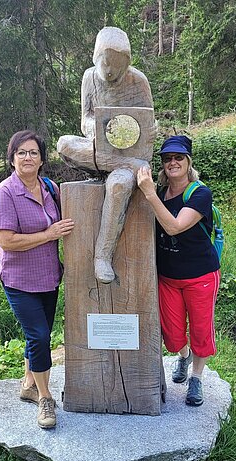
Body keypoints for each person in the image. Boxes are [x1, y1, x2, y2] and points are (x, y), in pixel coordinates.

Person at [57, 26, 156, 284]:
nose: (111, 71)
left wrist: (150, 130)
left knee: (119, 185)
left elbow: (147, 122)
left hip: (128, 158)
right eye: (106, 64)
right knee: (64, 144)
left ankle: (102, 255)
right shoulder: (89, 78)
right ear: (96, 58)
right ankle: (129, 165)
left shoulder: (138, 81)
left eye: (117, 65)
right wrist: (99, 126)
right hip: (98, 151)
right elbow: (85, 119)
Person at [0, 130, 74, 428]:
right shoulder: (4, 193)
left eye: (33, 152)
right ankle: (45, 398)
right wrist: (48, 235)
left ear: (41, 159)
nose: (27, 157)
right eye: (21, 152)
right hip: (18, 279)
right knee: (39, 336)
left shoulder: (50, 188)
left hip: (49, 277)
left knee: (39, 335)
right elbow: (8, 241)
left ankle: (27, 384)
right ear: (12, 159)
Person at [137, 135, 220, 406]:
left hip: (200, 276)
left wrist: (148, 192)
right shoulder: (161, 193)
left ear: (188, 162)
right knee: (172, 336)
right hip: (168, 278)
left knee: (200, 331)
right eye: (167, 158)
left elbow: (173, 226)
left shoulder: (199, 194)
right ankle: (182, 357)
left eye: (178, 157)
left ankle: (196, 379)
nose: (172, 162)